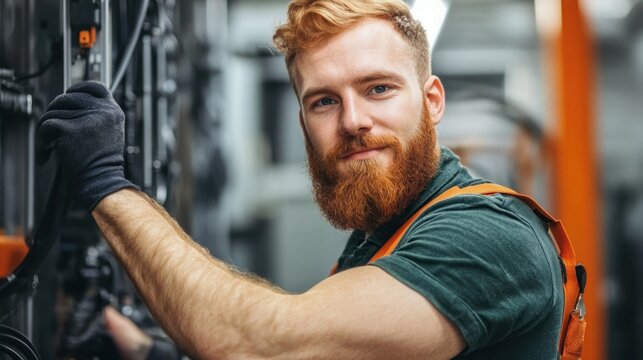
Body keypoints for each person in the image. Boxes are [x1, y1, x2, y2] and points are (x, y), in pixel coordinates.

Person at [38, 0, 563, 358]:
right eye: (325, 101)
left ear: (431, 101)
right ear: (303, 122)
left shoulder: (487, 236)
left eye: (378, 88)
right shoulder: (382, 235)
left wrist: (107, 183)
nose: (353, 121)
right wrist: (156, 351)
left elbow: (272, 346)